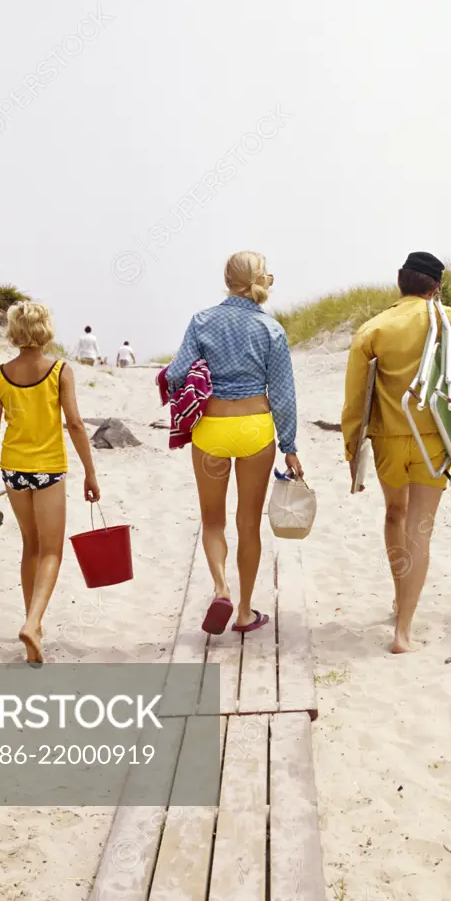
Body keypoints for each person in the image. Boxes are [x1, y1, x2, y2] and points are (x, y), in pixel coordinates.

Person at [341, 251, 451, 653]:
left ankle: (398, 595)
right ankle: (403, 630)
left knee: (394, 515)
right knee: (420, 529)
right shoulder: (450, 320)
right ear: (435, 287)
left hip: (388, 440)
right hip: (433, 440)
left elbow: (356, 399)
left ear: (399, 281)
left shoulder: (372, 329)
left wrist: (352, 451)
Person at [166, 251, 302, 636]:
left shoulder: (202, 320)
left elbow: (176, 374)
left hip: (211, 428)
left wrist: (198, 378)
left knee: (212, 521)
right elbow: (283, 393)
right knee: (248, 524)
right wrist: (289, 446)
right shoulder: (271, 329)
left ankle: (221, 588)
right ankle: (243, 611)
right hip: (255, 430)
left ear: (226, 279)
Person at [0, 302, 101, 664]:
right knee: (51, 551)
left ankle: (34, 624)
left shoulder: (1, 374)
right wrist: (91, 473)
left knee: (29, 546)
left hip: (13, 469)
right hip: (48, 469)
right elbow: (76, 425)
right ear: (45, 329)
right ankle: (33, 623)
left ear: (15, 330)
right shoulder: (59, 371)